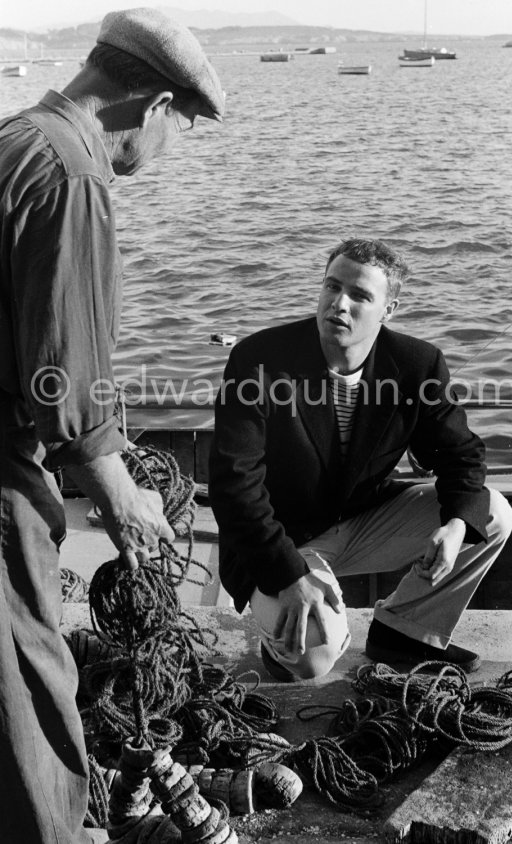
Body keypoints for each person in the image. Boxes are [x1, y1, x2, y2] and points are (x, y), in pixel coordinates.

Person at [0, 8, 224, 843]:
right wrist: (122, 495)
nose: (169, 150)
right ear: (153, 104)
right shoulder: (72, 172)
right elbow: (63, 372)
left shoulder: (15, 137)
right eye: (182, 128)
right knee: (26, 674)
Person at [209, 238, 512, 683]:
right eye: (332, 287)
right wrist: (289, 574)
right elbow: (234, 486)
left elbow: (461, 454)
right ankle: (285, 634)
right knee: (311, 659)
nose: (339, 304)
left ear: (389, 310)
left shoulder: (416, 364)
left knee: (490, 513)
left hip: (363, 518)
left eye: (360, 296)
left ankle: (404, 631)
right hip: (282, 537)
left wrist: (455, 525)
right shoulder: (259, 361)